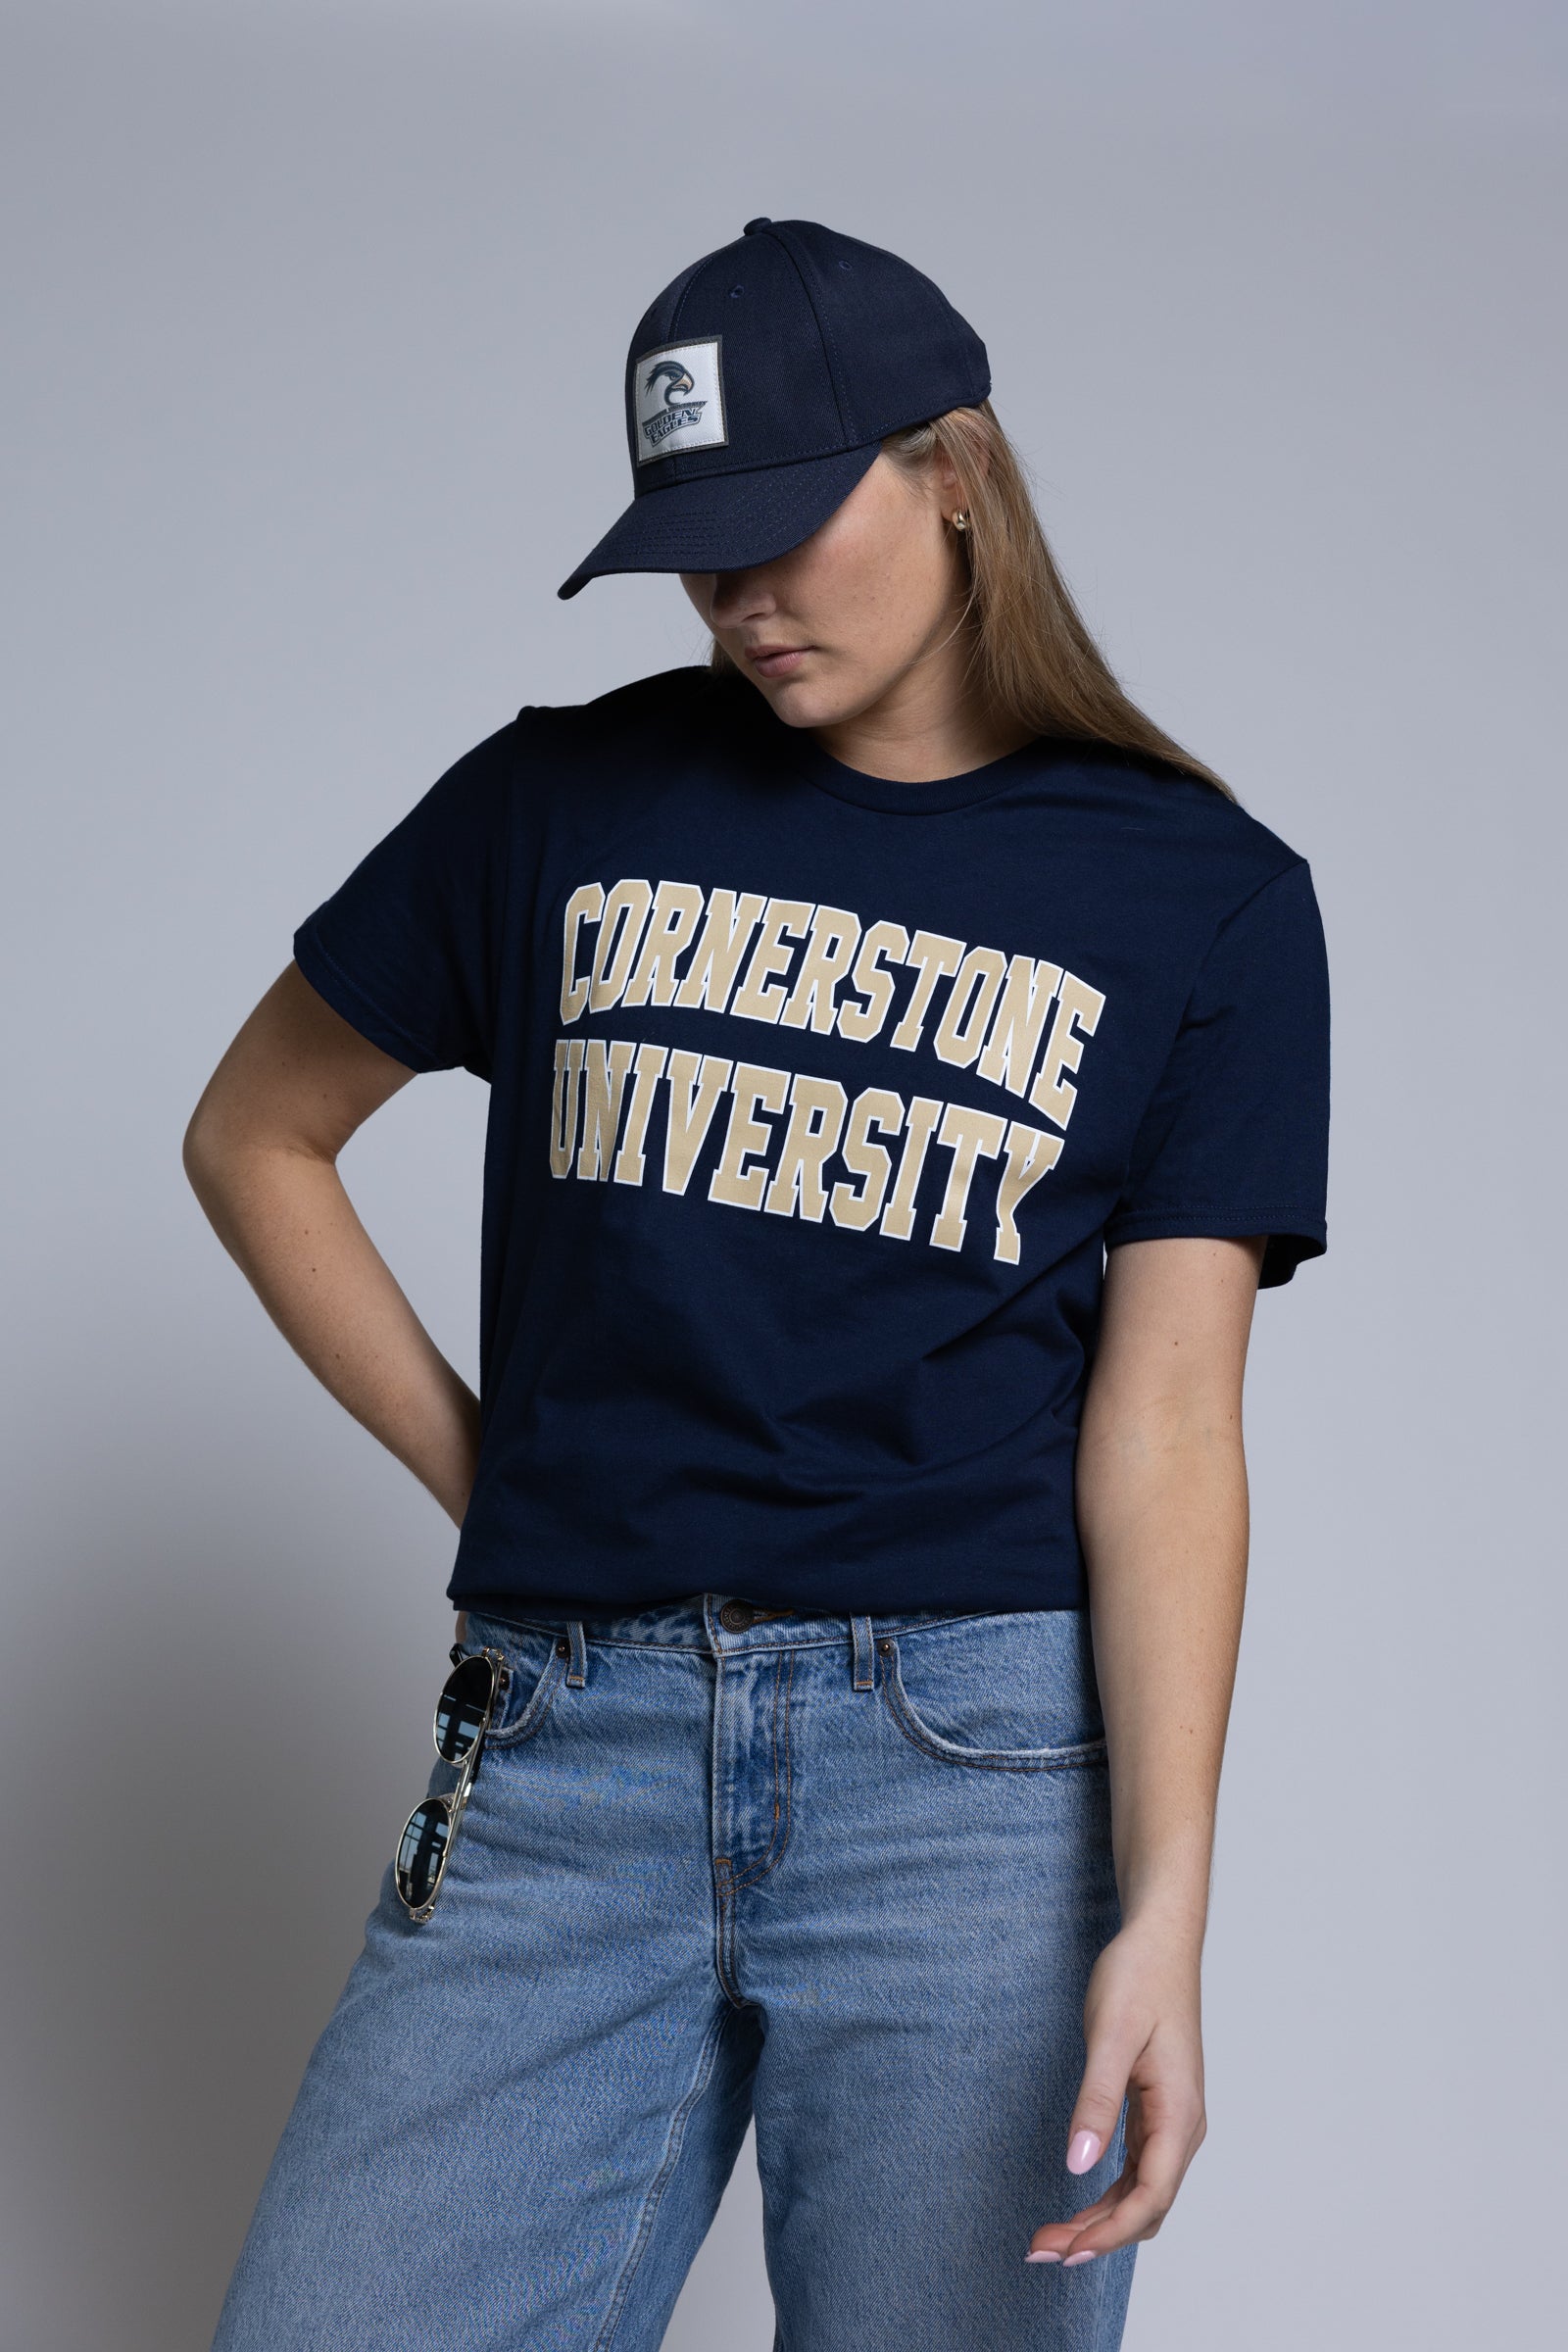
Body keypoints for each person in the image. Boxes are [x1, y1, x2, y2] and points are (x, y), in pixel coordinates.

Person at [184, 216, 1330, 2352]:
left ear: (953, 474)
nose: (736, 599)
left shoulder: (1203, 898)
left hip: (969, 1791)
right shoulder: (557, 801)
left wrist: (1166, 1907)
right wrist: (493, 1479)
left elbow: (1172, 1426)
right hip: (567, 1750)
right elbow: (255, 1134)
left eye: (781, 528)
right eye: (692, 550)